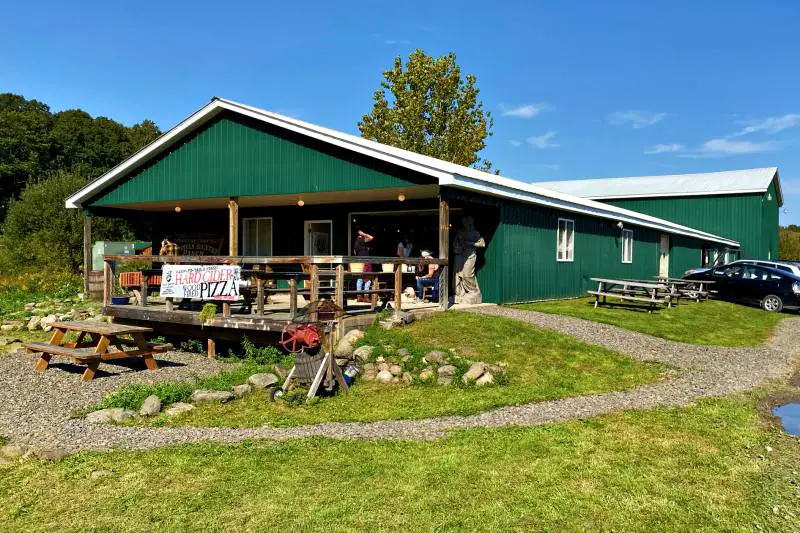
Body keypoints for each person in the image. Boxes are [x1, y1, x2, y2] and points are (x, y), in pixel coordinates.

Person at [453, 216, 485, 304]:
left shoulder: (475, 233)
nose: (466, 224)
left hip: (470, 256)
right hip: (460, 255)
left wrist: (471, 243)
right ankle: (460, 293)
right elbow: (455, 243)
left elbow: (482, 244)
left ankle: (473, 292)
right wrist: (457, 247)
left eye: (468, 222)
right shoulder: (460, 232)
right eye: (464, 222)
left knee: (467, 275)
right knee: (458, 275)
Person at [353, 228, 374, 303]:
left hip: (360, 262)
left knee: (360, 279)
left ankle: (359, 296)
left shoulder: (357, 241)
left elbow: (355, 252)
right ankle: (365, 296)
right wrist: (363, 234)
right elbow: (371, 237)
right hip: (364, 262)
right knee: (367, 280)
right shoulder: (360, 239)